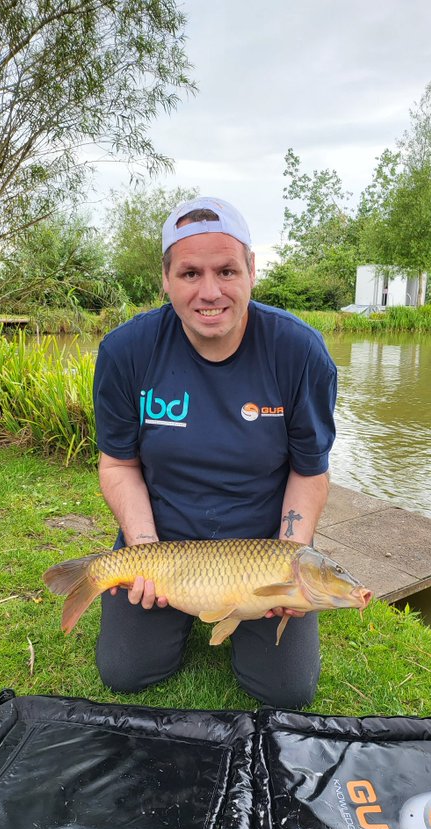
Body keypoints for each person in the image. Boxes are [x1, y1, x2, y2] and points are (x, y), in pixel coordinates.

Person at [92, 196, 337, 707]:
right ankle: (174, 614)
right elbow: (118, 464)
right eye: (189, 273)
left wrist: (288, 565)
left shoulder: (300, 352)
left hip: (260, 547)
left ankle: (238, 617)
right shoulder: (125, 351)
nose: (210, 292)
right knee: (126, 673)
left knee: (286, 691)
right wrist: (142, 550)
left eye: (227, 270)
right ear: (165, 279)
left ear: (252, 269)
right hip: (162, 543)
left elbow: (310, 472)